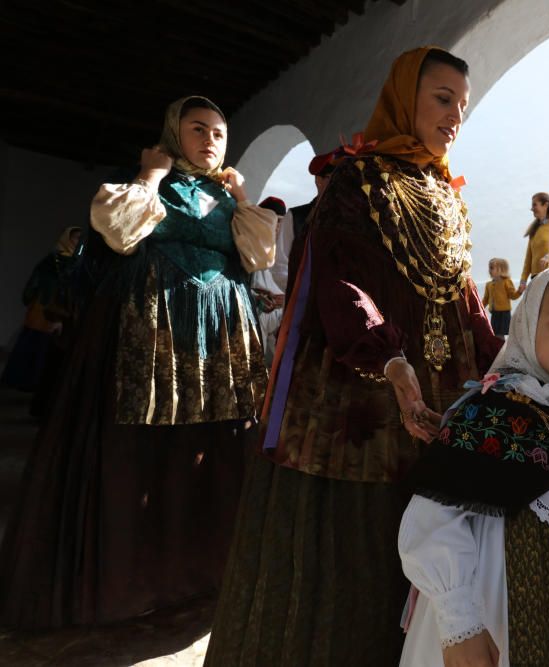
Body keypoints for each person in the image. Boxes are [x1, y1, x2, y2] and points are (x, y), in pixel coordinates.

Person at [204, 47, 503, 666]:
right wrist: (392, 366)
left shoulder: (446, 194)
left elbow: (465, 299)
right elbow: (344, 284)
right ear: (405, 95)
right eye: (442, 99)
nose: (454, 117)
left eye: (462, 107)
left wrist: (505, 366)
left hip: (436, 393)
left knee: (432, 539)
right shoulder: (358, 181)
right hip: (357, 401)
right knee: (355, 547)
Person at [0, 96, 277, 629]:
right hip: (149, 328)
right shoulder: (141, 179)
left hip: (218, 338)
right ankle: (132, 580)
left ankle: (200, 573)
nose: (210, 140)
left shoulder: (227, 201)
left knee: (211, 447)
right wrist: (152, 175)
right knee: (141, 446)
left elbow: (259, 255)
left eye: (218, 133)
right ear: (173, 132)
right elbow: (120, 232)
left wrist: (241, 194)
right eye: (197, 129)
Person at [399, 262, 549, 667]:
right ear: (527, 324)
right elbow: (431, 520)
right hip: (490, 621)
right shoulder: (490, 415)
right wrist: (460, 626)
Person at [1, 226, 83, 394]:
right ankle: (26, 381)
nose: (77, 243)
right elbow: (36, 281)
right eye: (74, 238)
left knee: (47, 347)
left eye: (79, 240)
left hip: (59, 310)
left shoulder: (76, 264)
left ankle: (37, 384)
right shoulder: (54, 261)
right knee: (35, 342)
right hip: (44, 306)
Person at [251, 196, 293, 363]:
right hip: (256, 314)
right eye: (272, 220)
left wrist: (288, 299)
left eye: (280, 221)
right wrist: (256, 297)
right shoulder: (248, 245)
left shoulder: (288, 248)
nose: (277, 226)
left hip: (282, 316)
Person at [518, 191, 549, 291]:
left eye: (535, 205)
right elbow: (528, 258)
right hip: (536, 278)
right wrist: (523, 281)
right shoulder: (534, 230)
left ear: (546, 205)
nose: (532, 208)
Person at [482, 257, 520, 336]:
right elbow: (485, 299)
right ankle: (499, 347)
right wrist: (479, 308)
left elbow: (513, 295)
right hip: (494, 314)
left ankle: (504, 347)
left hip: (504, 314)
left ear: (501, 269)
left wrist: (520, 291)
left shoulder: (506, 282)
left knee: (503, 334)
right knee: (495, 334)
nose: (489, 270)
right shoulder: (489, 284)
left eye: (492, 268)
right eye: (489, 268)